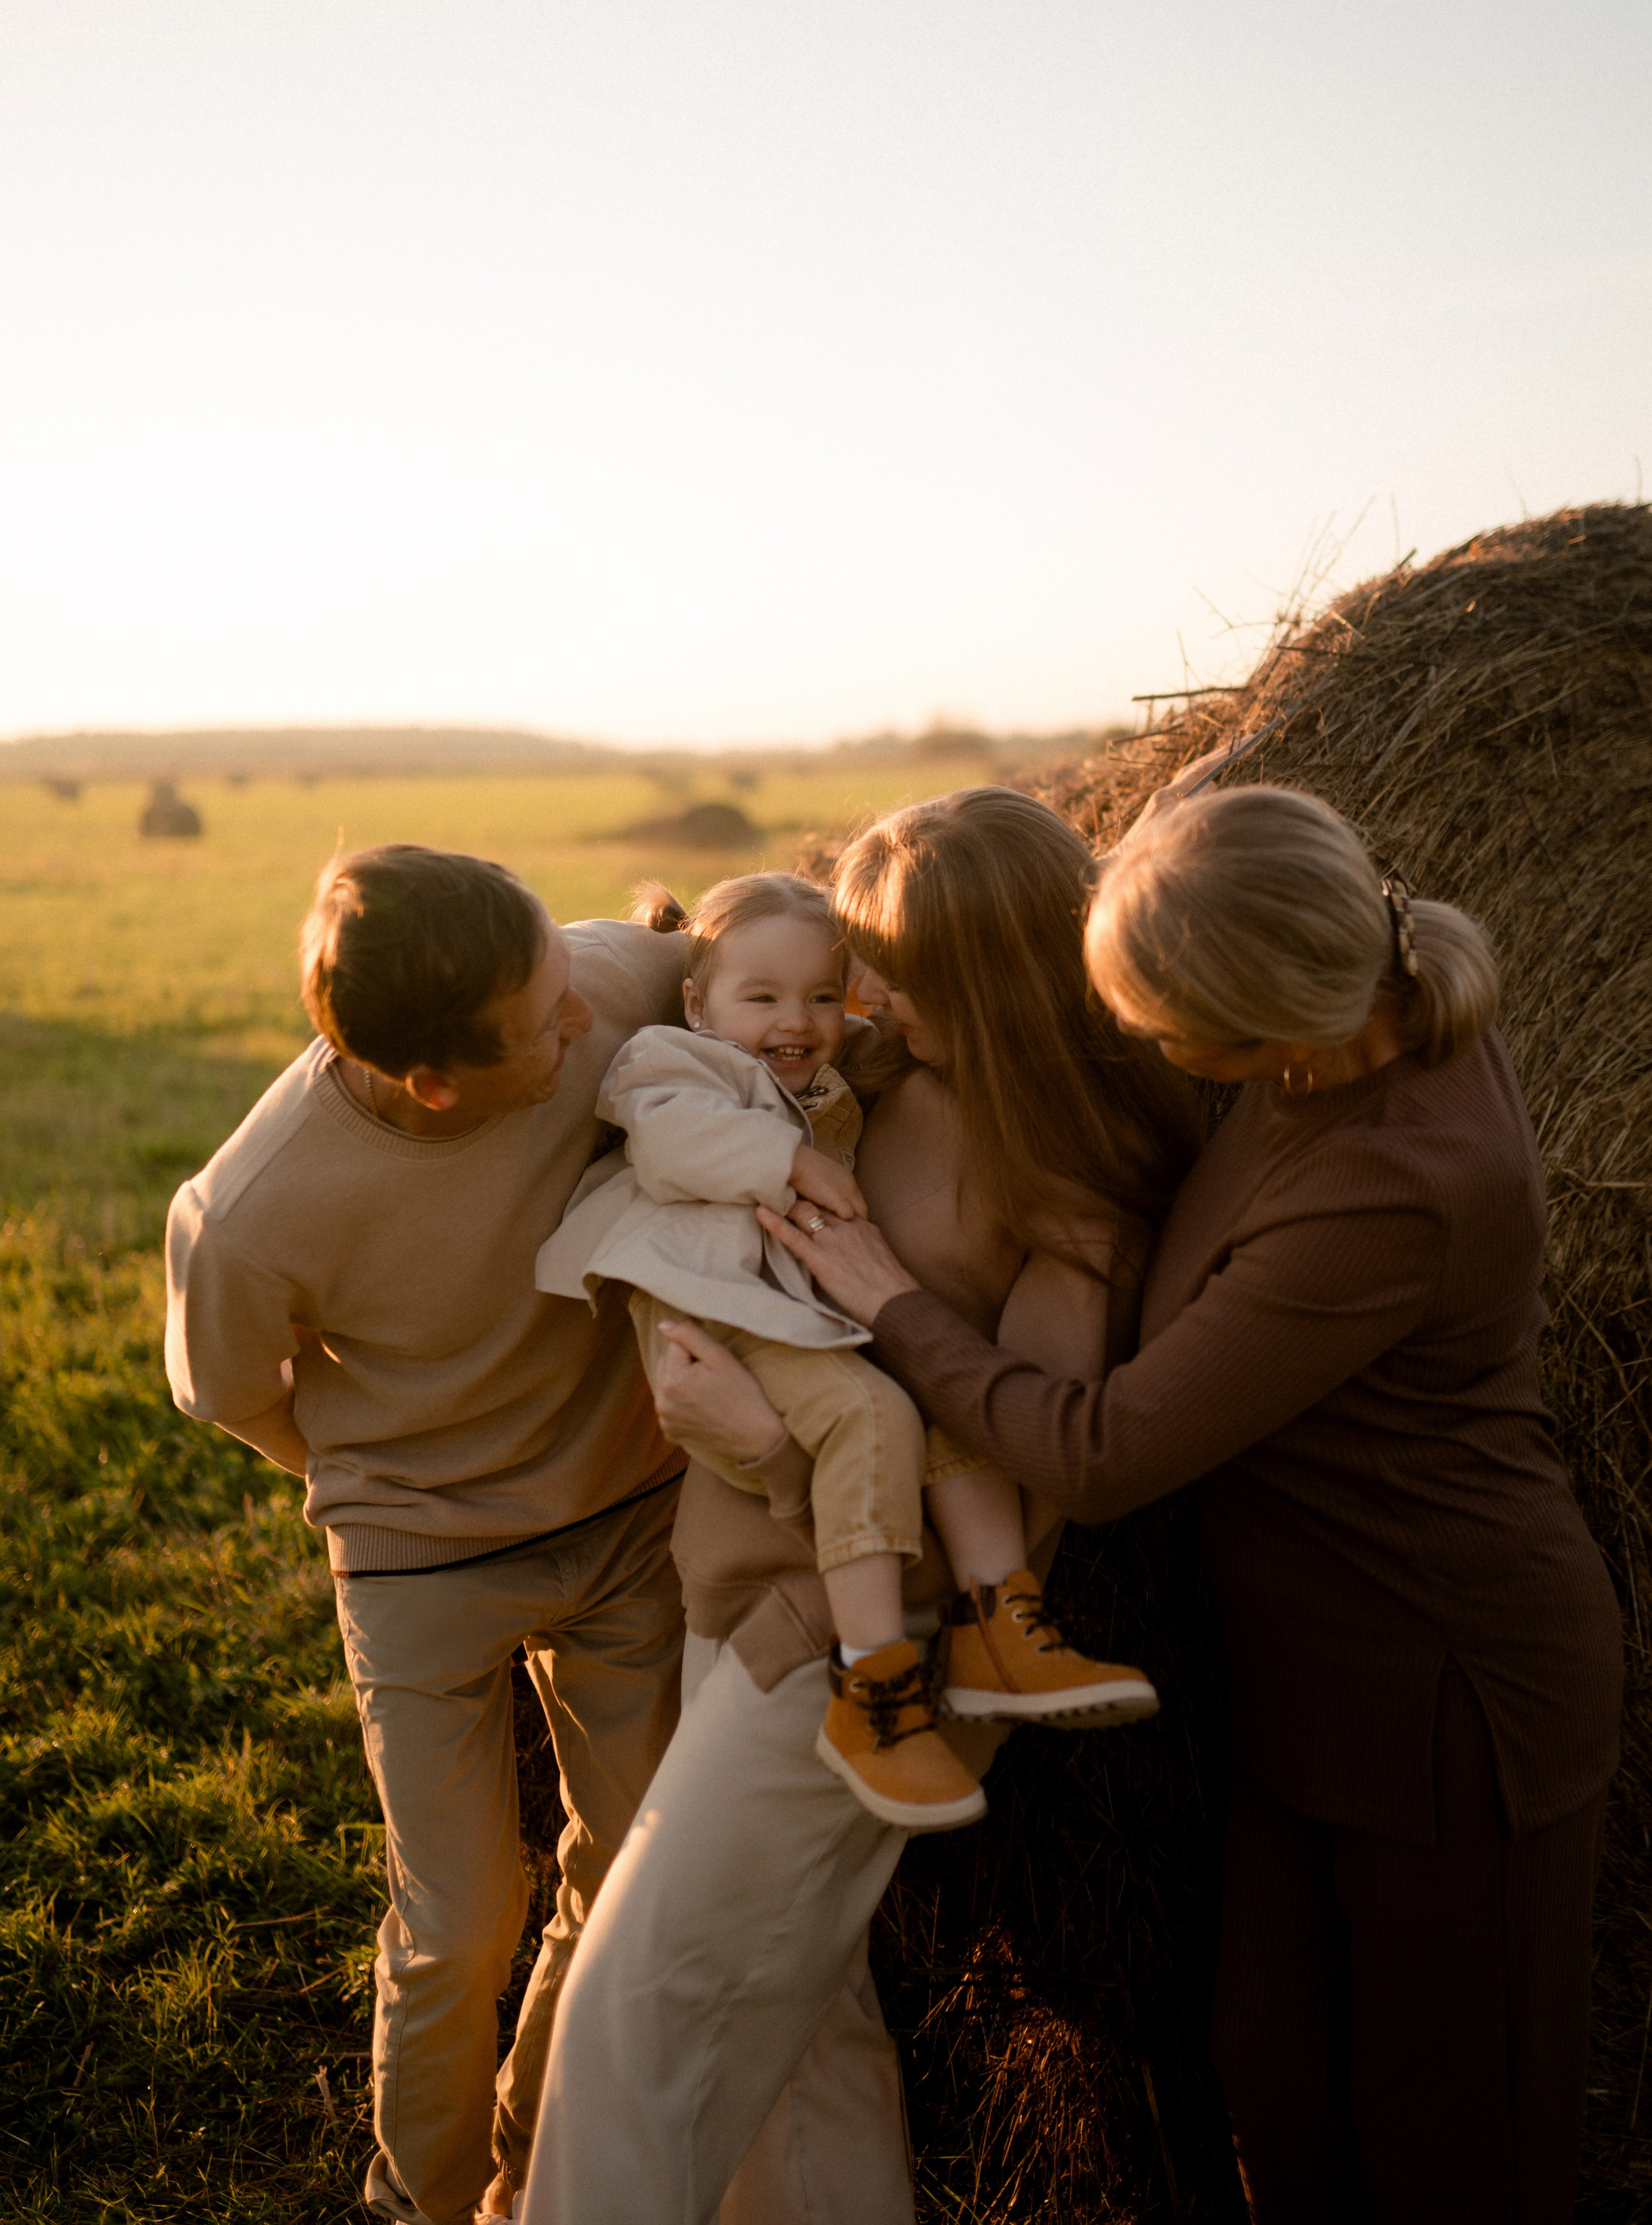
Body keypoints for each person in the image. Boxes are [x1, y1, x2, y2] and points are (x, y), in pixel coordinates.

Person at [770, 783, 1624, 2225]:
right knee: (1270, 2067)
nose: (1136, 1043)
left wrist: (896, 1306)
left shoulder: (1394, 1177)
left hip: (1449, 1686)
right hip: (1311, 1676)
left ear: (1266, 1017)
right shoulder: (1330, 1037)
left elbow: (1103, 1453)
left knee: (1447, 2133)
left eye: (1159, 1023)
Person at [521, 790, 1200, 2225]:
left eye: (891, 966)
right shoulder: (881, 1072)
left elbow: (1019, 1467)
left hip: (841, 1643)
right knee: (796, 2046)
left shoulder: (1061, 1181)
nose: (862, 994)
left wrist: (759, 1440)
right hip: (737, 1583)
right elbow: (697, 986)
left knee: (631, 2020)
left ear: (990, 972)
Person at [163, 844, 690, 2225]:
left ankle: (531, 2170)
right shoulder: (248, 1207)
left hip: (629, 1521)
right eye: (546, 1025)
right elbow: (226, 1393)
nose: (581, 1023)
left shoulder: (590, 982)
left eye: (565, 983)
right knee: (461, 1925)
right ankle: (418, 2201)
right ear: (434, 1079)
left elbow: (752, 941)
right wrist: (382, 1474)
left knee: (626, 1878)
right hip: (415, 1564)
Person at [538, 871, 1153, 1832]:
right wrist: (788, 1160)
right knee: (871, 1415)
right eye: (765, 997)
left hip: (801, 1304)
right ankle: (876, 1689)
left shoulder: (828, 1072)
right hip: (724, 1304)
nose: (799, 1019)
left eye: (824, 995)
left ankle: (1000, 1614)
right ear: (700, 1003)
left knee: (933, 1390)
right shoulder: (671, 1061)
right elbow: (671, 1144)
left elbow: (898, 1023)